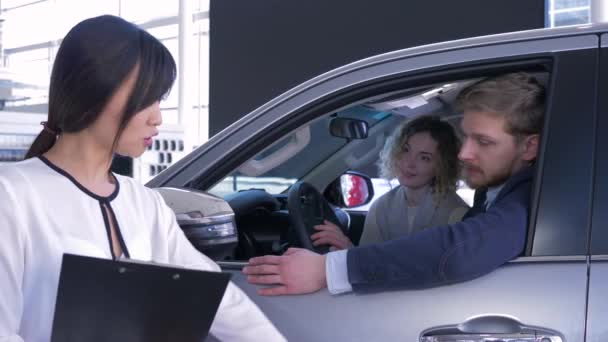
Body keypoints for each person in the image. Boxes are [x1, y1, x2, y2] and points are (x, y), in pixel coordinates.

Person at [0, 15, 284, 341]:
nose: (157, 117)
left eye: (160, 99)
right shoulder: (12, 195)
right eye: (147, 98)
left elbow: (222, 303)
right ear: (94, 89)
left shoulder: (145, 203)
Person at [243, 72, 544, 295]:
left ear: (529, 147)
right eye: (466, 136)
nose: (465, 153)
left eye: (484, 141)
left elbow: (459, 251)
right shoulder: (490, 194)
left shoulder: (529, 197)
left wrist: (328, 269)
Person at [311, 115, 469, 250]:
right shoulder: (381, 206)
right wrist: (346, 247)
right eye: (406, 149)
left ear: (441, 166)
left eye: (424, 157)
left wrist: (348, 248)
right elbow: (368, 265)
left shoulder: (457, 214)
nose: (409, 163)